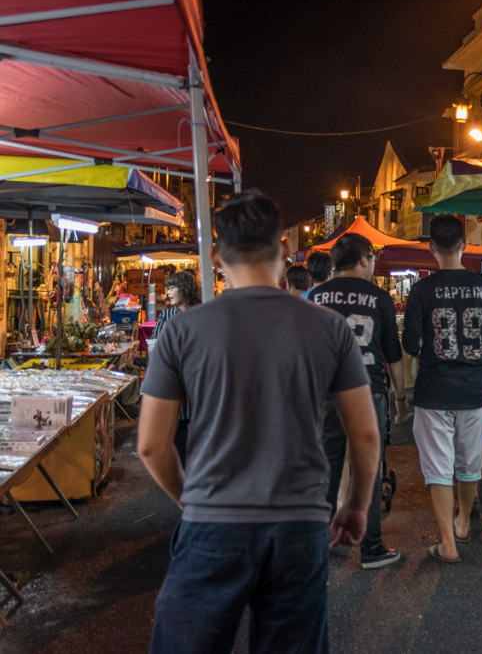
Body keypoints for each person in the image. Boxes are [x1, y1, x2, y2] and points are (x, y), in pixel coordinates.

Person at [137, 190, 380, 652]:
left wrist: (188, 498)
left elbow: (150, 444)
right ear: (286, 249)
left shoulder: (182, 331)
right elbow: (365, 434)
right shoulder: (329, 328)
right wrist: (356, 506)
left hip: (212, 521)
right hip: (300, 525)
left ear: (214, 254)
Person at [402, 214, 482, 563]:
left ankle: (447, 542)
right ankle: (463, 521)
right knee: (469, 463)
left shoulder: (421, 290)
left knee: (438, 466)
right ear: (464, 245)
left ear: (432, 248)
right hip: (472, 388)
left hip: (434, 389)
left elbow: (409, 344)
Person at [308, 233, 407, 570]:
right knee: (367, 470)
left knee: (328, 467)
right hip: (368, 392)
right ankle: (372, 547)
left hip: (326, 393)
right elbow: (393, 354)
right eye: (373, 258)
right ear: (364, 259)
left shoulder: (316, 296)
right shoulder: (379, 297)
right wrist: (402, 397)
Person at [147, 270, 202, 466]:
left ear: (185, 289)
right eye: (167, 287)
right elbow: (154, 345)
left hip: (199, 385)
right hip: (176, 384)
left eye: (172, 287)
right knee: (177, 432)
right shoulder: (168, 315)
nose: (168, 292)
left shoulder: (203, 313)